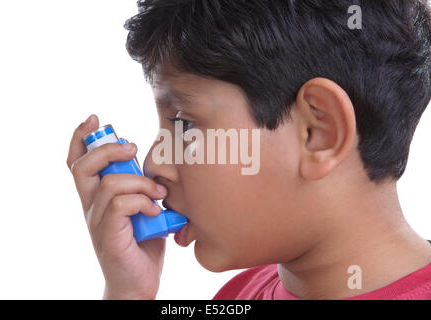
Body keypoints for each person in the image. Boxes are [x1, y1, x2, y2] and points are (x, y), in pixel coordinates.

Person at [66, 0, 431, 299]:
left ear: (318, 131)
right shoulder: (239, 295)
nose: (153, 164)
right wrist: (129, 293)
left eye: (184, 124)